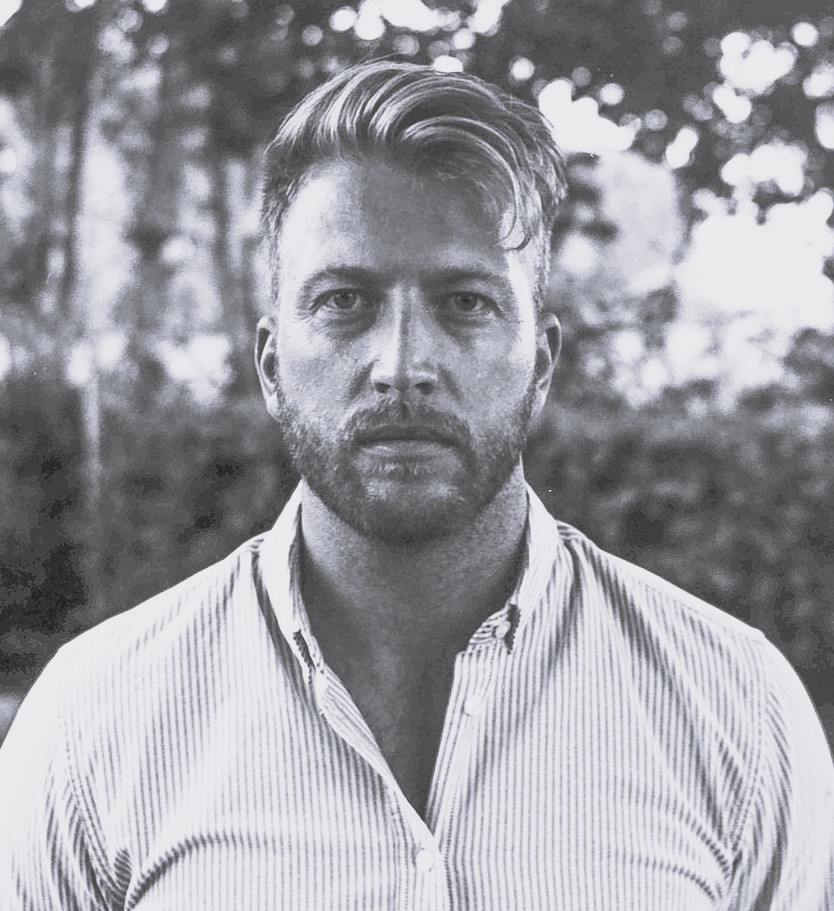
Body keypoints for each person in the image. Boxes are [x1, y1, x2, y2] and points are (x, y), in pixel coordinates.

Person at [1, 60, 832, 911]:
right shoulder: (90, 725)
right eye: (344, 301)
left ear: (541, 363)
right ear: (272, 365)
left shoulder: (738, 712)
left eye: (465, 302)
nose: (403, 365)